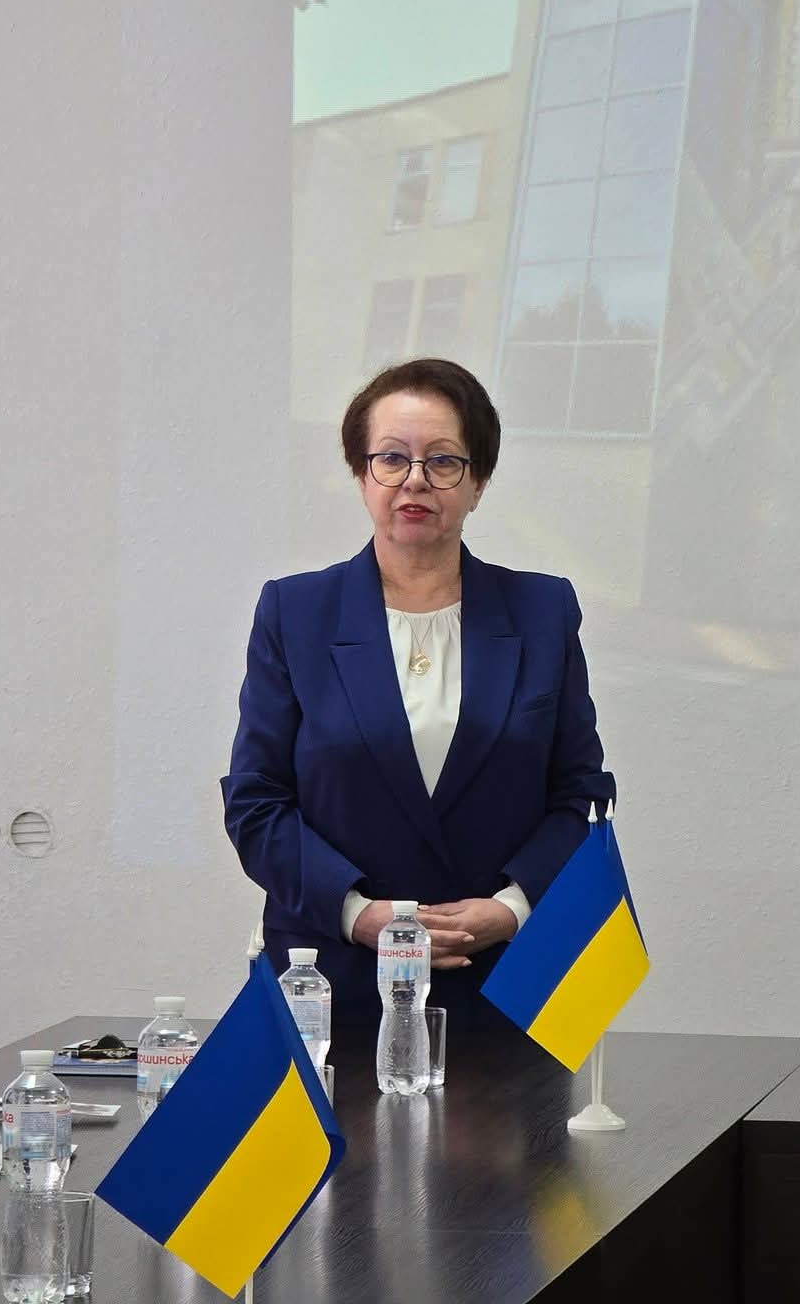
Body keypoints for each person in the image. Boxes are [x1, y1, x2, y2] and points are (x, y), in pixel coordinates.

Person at [222, 357, 614, 1024]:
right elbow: (256, 802)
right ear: (361, 474)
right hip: (333, 983)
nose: (415, 479)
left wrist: (510, 909)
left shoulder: (542, 612)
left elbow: (582, 797)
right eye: (392, 458)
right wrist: (359, 915)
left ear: (478, 482)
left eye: (443, 461)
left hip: (506, 981)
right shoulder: (296, 613)